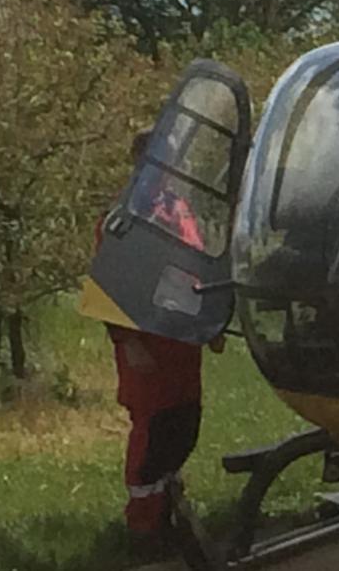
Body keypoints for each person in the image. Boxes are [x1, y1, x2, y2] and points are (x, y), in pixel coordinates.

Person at [96, 128, 213, 554]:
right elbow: (110, 285)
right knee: (153, 433)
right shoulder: (123, 218)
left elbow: (198, 263)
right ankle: (144, 527)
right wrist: (128, 341)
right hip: (147, 345)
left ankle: (170, 513)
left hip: (182, 342)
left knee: (184, 424)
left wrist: (211, 319)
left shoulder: (178, 209)